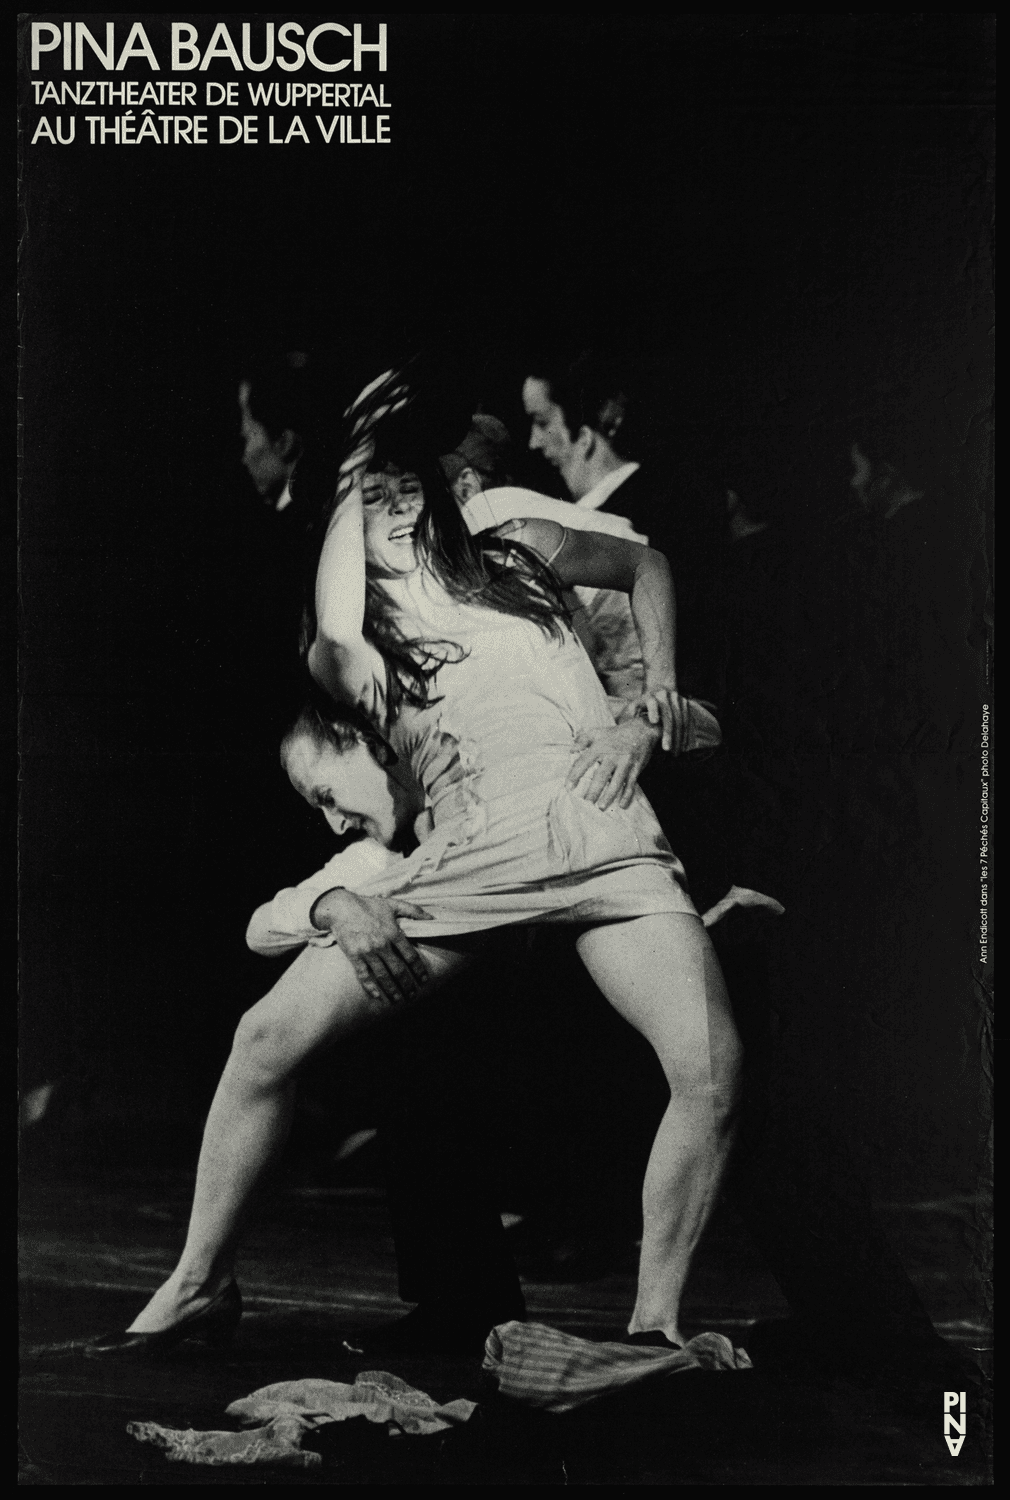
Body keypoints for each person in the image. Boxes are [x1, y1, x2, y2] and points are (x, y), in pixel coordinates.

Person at [88, 388, 741, 1356]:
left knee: (711, 1067)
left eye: (396, 491)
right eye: (364, 503)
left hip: (597, 823)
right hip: (475, 849)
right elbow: (339, 624)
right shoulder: (350, 647)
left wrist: (651, 701)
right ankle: (198, 1282)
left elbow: (648, 564)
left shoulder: (519, 547)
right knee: (264, 1037)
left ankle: (653, 1329)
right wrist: (349, 462)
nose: (384, 508)